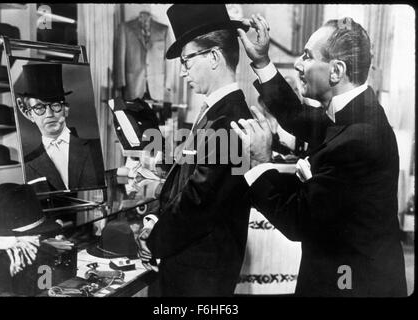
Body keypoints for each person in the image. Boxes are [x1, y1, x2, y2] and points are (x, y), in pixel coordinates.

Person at [231, 14, 407, 297]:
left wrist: (262, 161)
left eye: (307, 56)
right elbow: (297, 116)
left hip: (349, 284)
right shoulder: (359, 111)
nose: (299, 64)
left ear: (336, 71)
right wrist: (262, 62)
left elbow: (297, 222)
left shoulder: (357, 140)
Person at [136, 4, 253, 296]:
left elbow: (197, 201)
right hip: (192, 264)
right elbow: (190, 183)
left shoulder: (229, 120)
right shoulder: (215, 112)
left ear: (214, 57)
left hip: (202, 275)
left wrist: (153, 241)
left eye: (187, 60)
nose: (183, 70)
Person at [16, 63, 105, 191]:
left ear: (66, 110)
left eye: (56, 105)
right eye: (39, 107)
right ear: (30, 114)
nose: (49, 114)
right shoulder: (28, 164)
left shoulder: (95, 148)